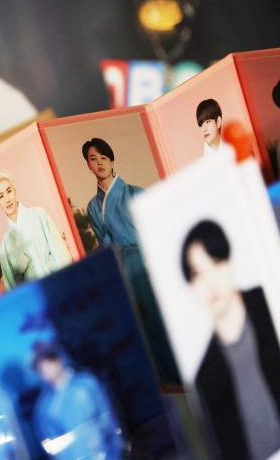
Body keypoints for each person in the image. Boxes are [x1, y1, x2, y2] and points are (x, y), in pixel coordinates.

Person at [181, 220, 280, 460]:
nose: (210, 282)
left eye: (215, 263)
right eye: (198, 273)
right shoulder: (205, 374)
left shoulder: (274, 306)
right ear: (191, 286)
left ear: (229, 262)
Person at [82, 138, 179, 384]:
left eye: (104, 157)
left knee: (160, 318)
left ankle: (179, 372)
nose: (100, 163)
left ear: (112, 161)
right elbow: (103, 242)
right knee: (139, 326)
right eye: (93, 159)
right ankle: (163, 379)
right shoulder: (92, 207)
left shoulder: (135, 193)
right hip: (118, 270)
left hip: (144, 264)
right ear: (88, 165)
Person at [30, 341, 122, 459]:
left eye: (48, 363)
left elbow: (107, 417)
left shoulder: (86, 384)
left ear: (59, 360)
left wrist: (116, 452)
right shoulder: (44, 407)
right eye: (40, 368)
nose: (45, 370)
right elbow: (52, 445)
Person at [0, 169, 72, 290]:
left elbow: (61, 254)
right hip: (35, 294)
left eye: (9, 191)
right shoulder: (5, 245)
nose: (7, 199)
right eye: (1, 196)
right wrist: (21, 270)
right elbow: (12, 288)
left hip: (58, 284)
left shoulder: (39, 215)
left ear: (15, 191)